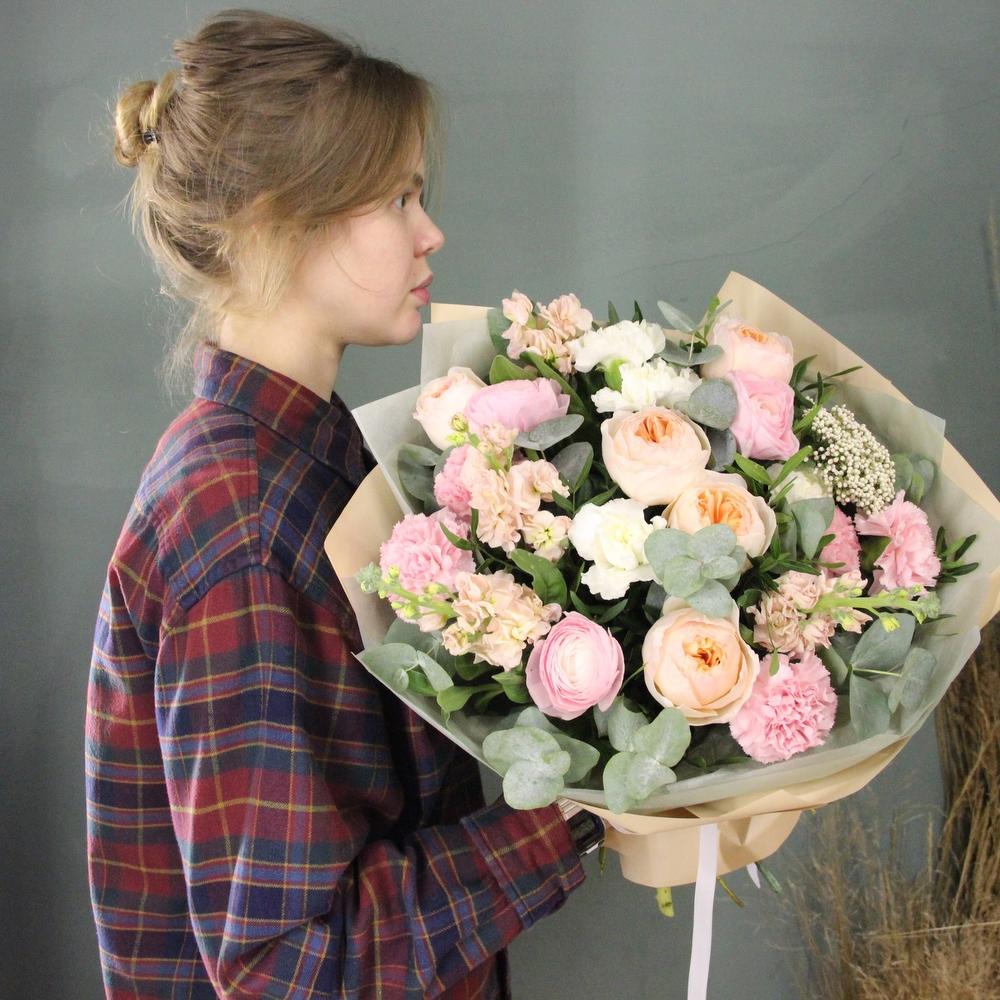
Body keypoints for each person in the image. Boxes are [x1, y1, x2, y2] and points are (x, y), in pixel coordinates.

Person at [87, 9, 605, 999]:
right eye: (397, 197)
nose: (430, 231)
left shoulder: (308, 459)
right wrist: (576, 816)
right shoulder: (238, 517)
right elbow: (285, 963)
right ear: (278, 220)